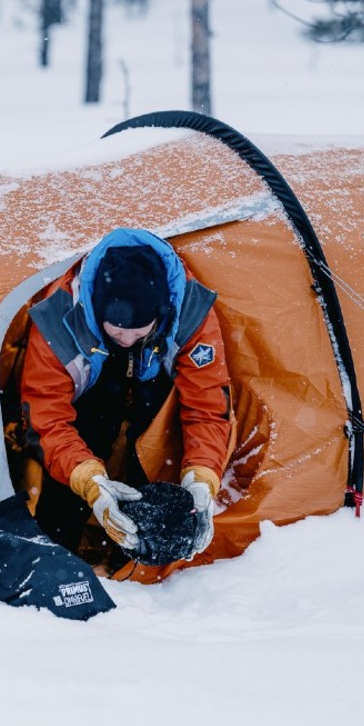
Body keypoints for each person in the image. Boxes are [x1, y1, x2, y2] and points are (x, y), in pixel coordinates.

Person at [19, 227, 231, 566]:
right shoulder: (58, 320)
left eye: (138, 330)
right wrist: (89, 482)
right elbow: (47, 416)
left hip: (156, 392)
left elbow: (207, 407)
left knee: (151, 449)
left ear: (161, 316)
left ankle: (135, 566)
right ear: (97, 311)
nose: (127, 339)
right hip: (89, 394)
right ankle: (58, 555)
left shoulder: (190, 312)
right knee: (82, 449)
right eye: (116, 330)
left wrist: (202, 479)